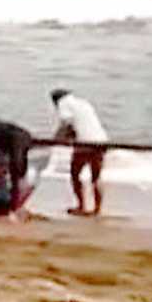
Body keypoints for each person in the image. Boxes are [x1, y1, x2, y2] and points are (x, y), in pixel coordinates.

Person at [51, 88, 108, 216]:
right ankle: (97, 209)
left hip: (85, 143)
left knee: (75, 174)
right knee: (96, 177)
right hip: (101, 141)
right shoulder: (83, 103)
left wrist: (56, 139)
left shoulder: (63, 103)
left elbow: (67, 123)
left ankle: (81, 206)